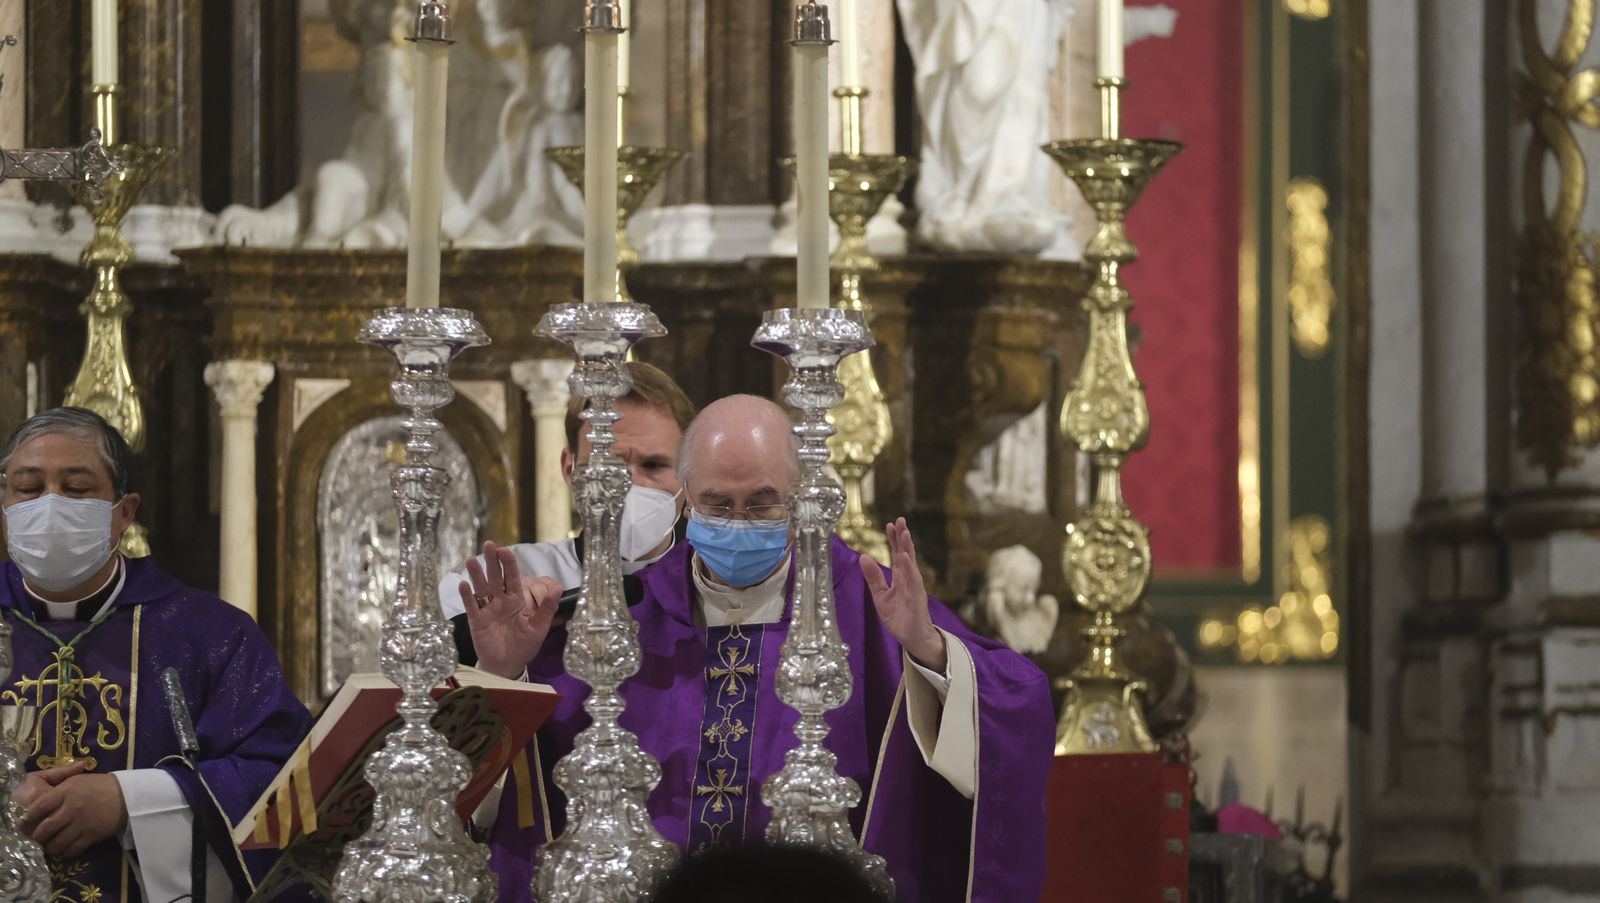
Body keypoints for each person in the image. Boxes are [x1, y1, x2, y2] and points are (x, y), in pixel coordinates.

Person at [463, 394, 1055, 902]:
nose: (738, 522)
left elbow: (1017, 704)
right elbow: (507, 798)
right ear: (685, 498)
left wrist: (927, 650)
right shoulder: (622, 616)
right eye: (718, 504)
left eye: (763, 502)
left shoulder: (866, 603)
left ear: (799, 499)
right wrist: (503, 671)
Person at [0, 408, 312, 903]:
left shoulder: (210, 634)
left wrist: (132, 801)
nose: (50, 505)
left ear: (124, 512)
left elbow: (285, 782)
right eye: (28, 488)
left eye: (77, 489)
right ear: (4, 503)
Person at [438, 360, 696, 668]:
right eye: (607, 465)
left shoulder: (713, 584)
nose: (628, 486)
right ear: (569, 470)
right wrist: (499, 666)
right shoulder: (503, 581)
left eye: (653, 466)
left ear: (688, 476)